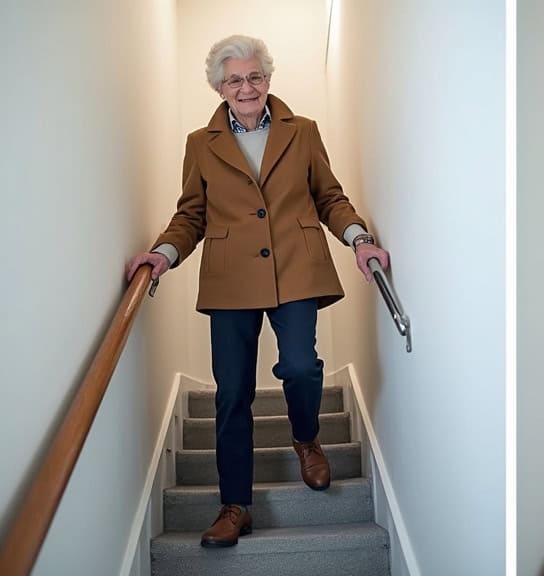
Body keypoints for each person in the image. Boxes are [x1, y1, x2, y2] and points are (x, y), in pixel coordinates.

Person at [126, 35, 390, 548]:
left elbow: (329, 196)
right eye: (234, 80)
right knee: (232, 394)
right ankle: (235, 505)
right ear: (219, 87)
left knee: (298, 365)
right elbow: (191, 215)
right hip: (230, 278)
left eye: (254, 76)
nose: (246, 87)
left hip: (296, 264)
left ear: (268, 78)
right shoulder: (200, 144)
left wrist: (359, 240)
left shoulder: (304, 131)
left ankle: (306, 438)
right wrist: (162, 254)